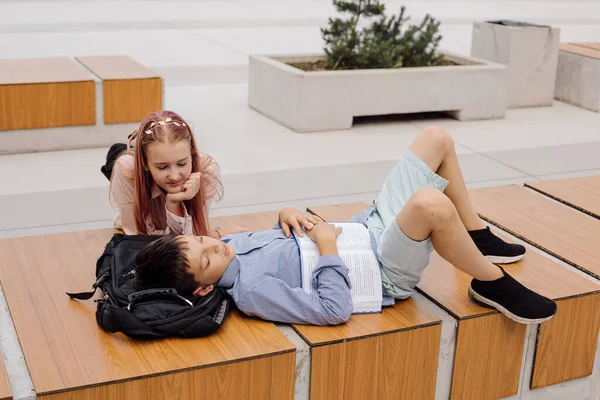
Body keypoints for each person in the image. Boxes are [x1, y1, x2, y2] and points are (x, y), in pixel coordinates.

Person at [132, 127, 558, 326]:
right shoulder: (252, 293)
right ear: (205, 287)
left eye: (203, 240)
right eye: (207, 258)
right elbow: (332, 311)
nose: (216, 246)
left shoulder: (230, 245)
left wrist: (287, 214)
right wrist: (327, 247)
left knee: (436, 139)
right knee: (431, 204)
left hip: (366, 230)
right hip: (381, 270)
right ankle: (488, 281)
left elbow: (283, 239)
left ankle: (477, 235)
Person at [109, 110, 244, 238]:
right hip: (137, 180)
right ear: (145, 163)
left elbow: (195, 240)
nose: (174, 176)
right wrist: (217, 235)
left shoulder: (206, 169)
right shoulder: (127, 171)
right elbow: (141, 242)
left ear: (192, 156)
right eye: (162, 167)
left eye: (181, 164)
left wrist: (174, 205)